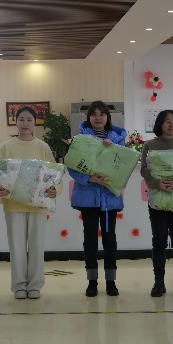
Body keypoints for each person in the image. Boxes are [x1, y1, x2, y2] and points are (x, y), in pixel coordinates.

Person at [0, 106, 58, 300]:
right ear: (16, 122)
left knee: (37, 246)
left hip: (38, 205)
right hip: (13, 205)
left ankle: (35, 285)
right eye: (21, 119)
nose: (25, 123)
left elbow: (54, 175)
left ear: (35, 122)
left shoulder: (43, 147)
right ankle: (19, 285)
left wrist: (56, 189)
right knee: (17, 247)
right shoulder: (7, 147)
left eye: (29, 119)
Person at [69, 100, 127, 297]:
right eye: (94, 114)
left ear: (108, 117)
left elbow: (124, 165)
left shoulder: (118, 138)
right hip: (88, 198)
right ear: (89, 117)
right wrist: (89, 178)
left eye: (102, 114)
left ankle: (111, 282)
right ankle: (92, 282)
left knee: (110, 240)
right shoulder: (80, 140)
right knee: (90, 240)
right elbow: (72, 166)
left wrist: (114, 150)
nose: (98, 118)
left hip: (110, 198)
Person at [140, 110, 173, 299]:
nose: (171, 125)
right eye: (167, 122)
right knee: (159, 241)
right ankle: (159, 283)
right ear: (159, 124)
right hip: (157, 200)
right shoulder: (150, 145)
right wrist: (156, 183)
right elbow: (144, 169)